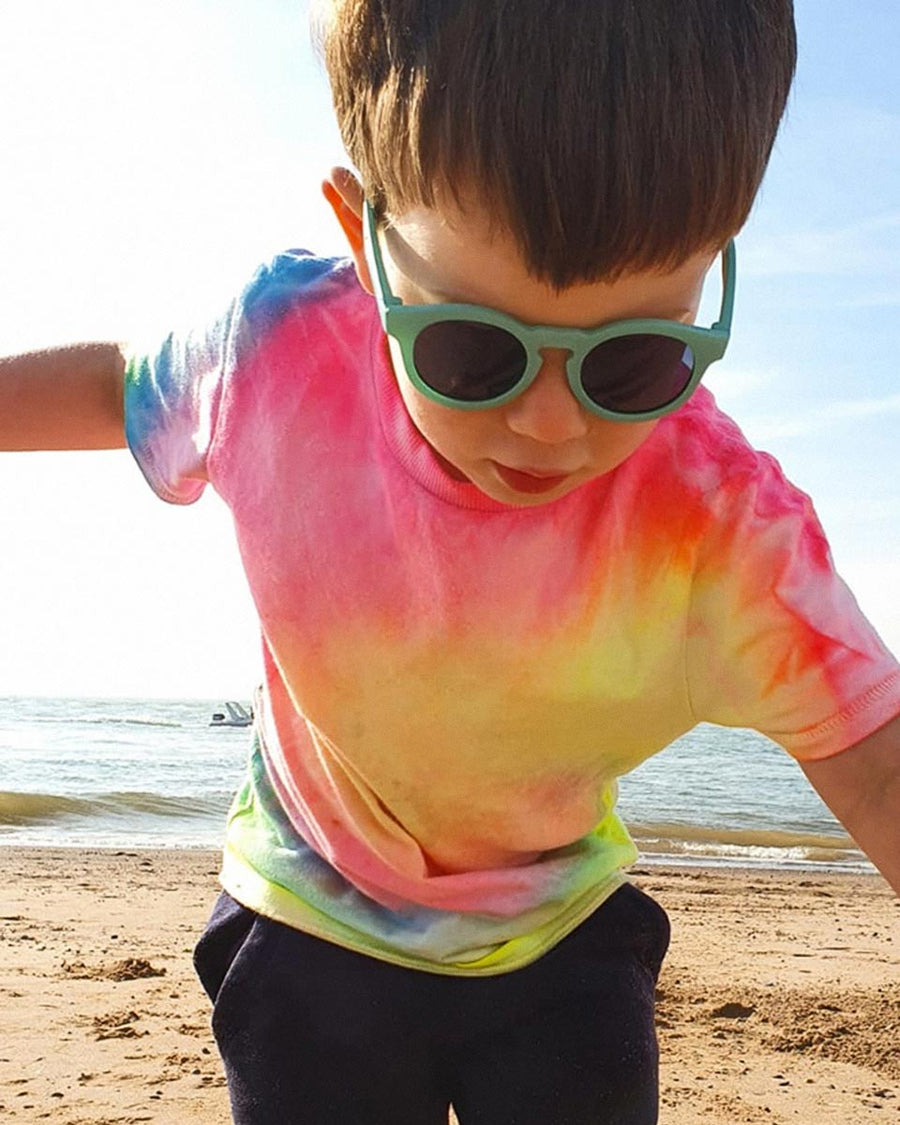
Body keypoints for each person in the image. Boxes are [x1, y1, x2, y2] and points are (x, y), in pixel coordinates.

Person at [2, 1, 899, 1122]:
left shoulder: (716, 534)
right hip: (305, 917)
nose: (549, 426)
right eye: (473, 349)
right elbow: (120, 384)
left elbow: (873, 758)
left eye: (632, 362)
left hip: (558, 941)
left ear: (713, 271)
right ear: (362, 236)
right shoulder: (276, 348)